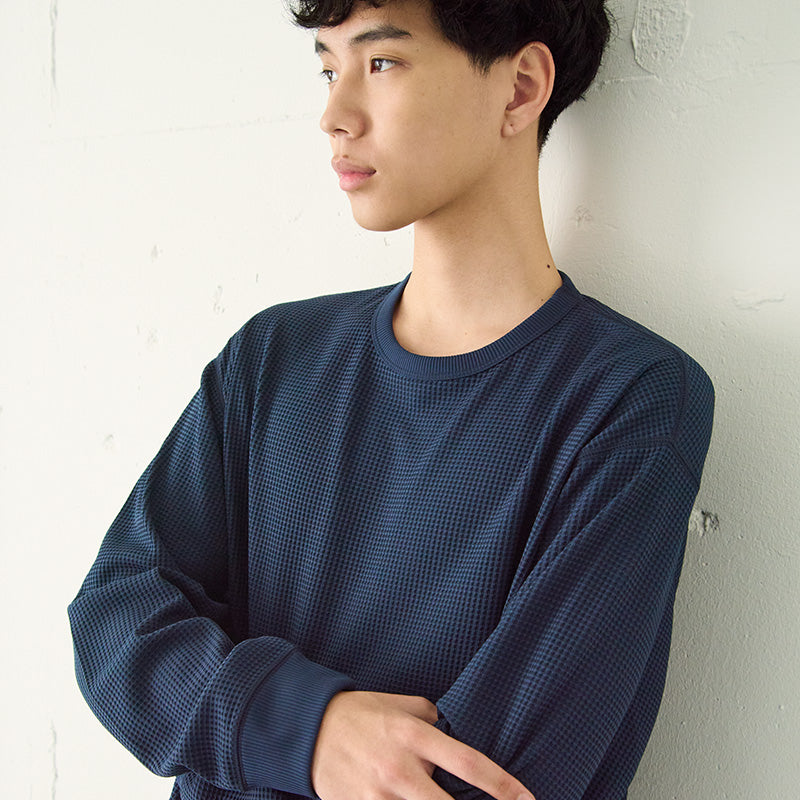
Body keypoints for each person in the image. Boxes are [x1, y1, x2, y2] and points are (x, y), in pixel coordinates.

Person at [67, 1, 715, 799]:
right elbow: (114, 613)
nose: (334, 115)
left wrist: (232, 724)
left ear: (519, 89)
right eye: (329, 67)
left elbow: (484, 783)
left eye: (381, 63)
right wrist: (308, 731)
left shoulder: (630, 399)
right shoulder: (272, 359)